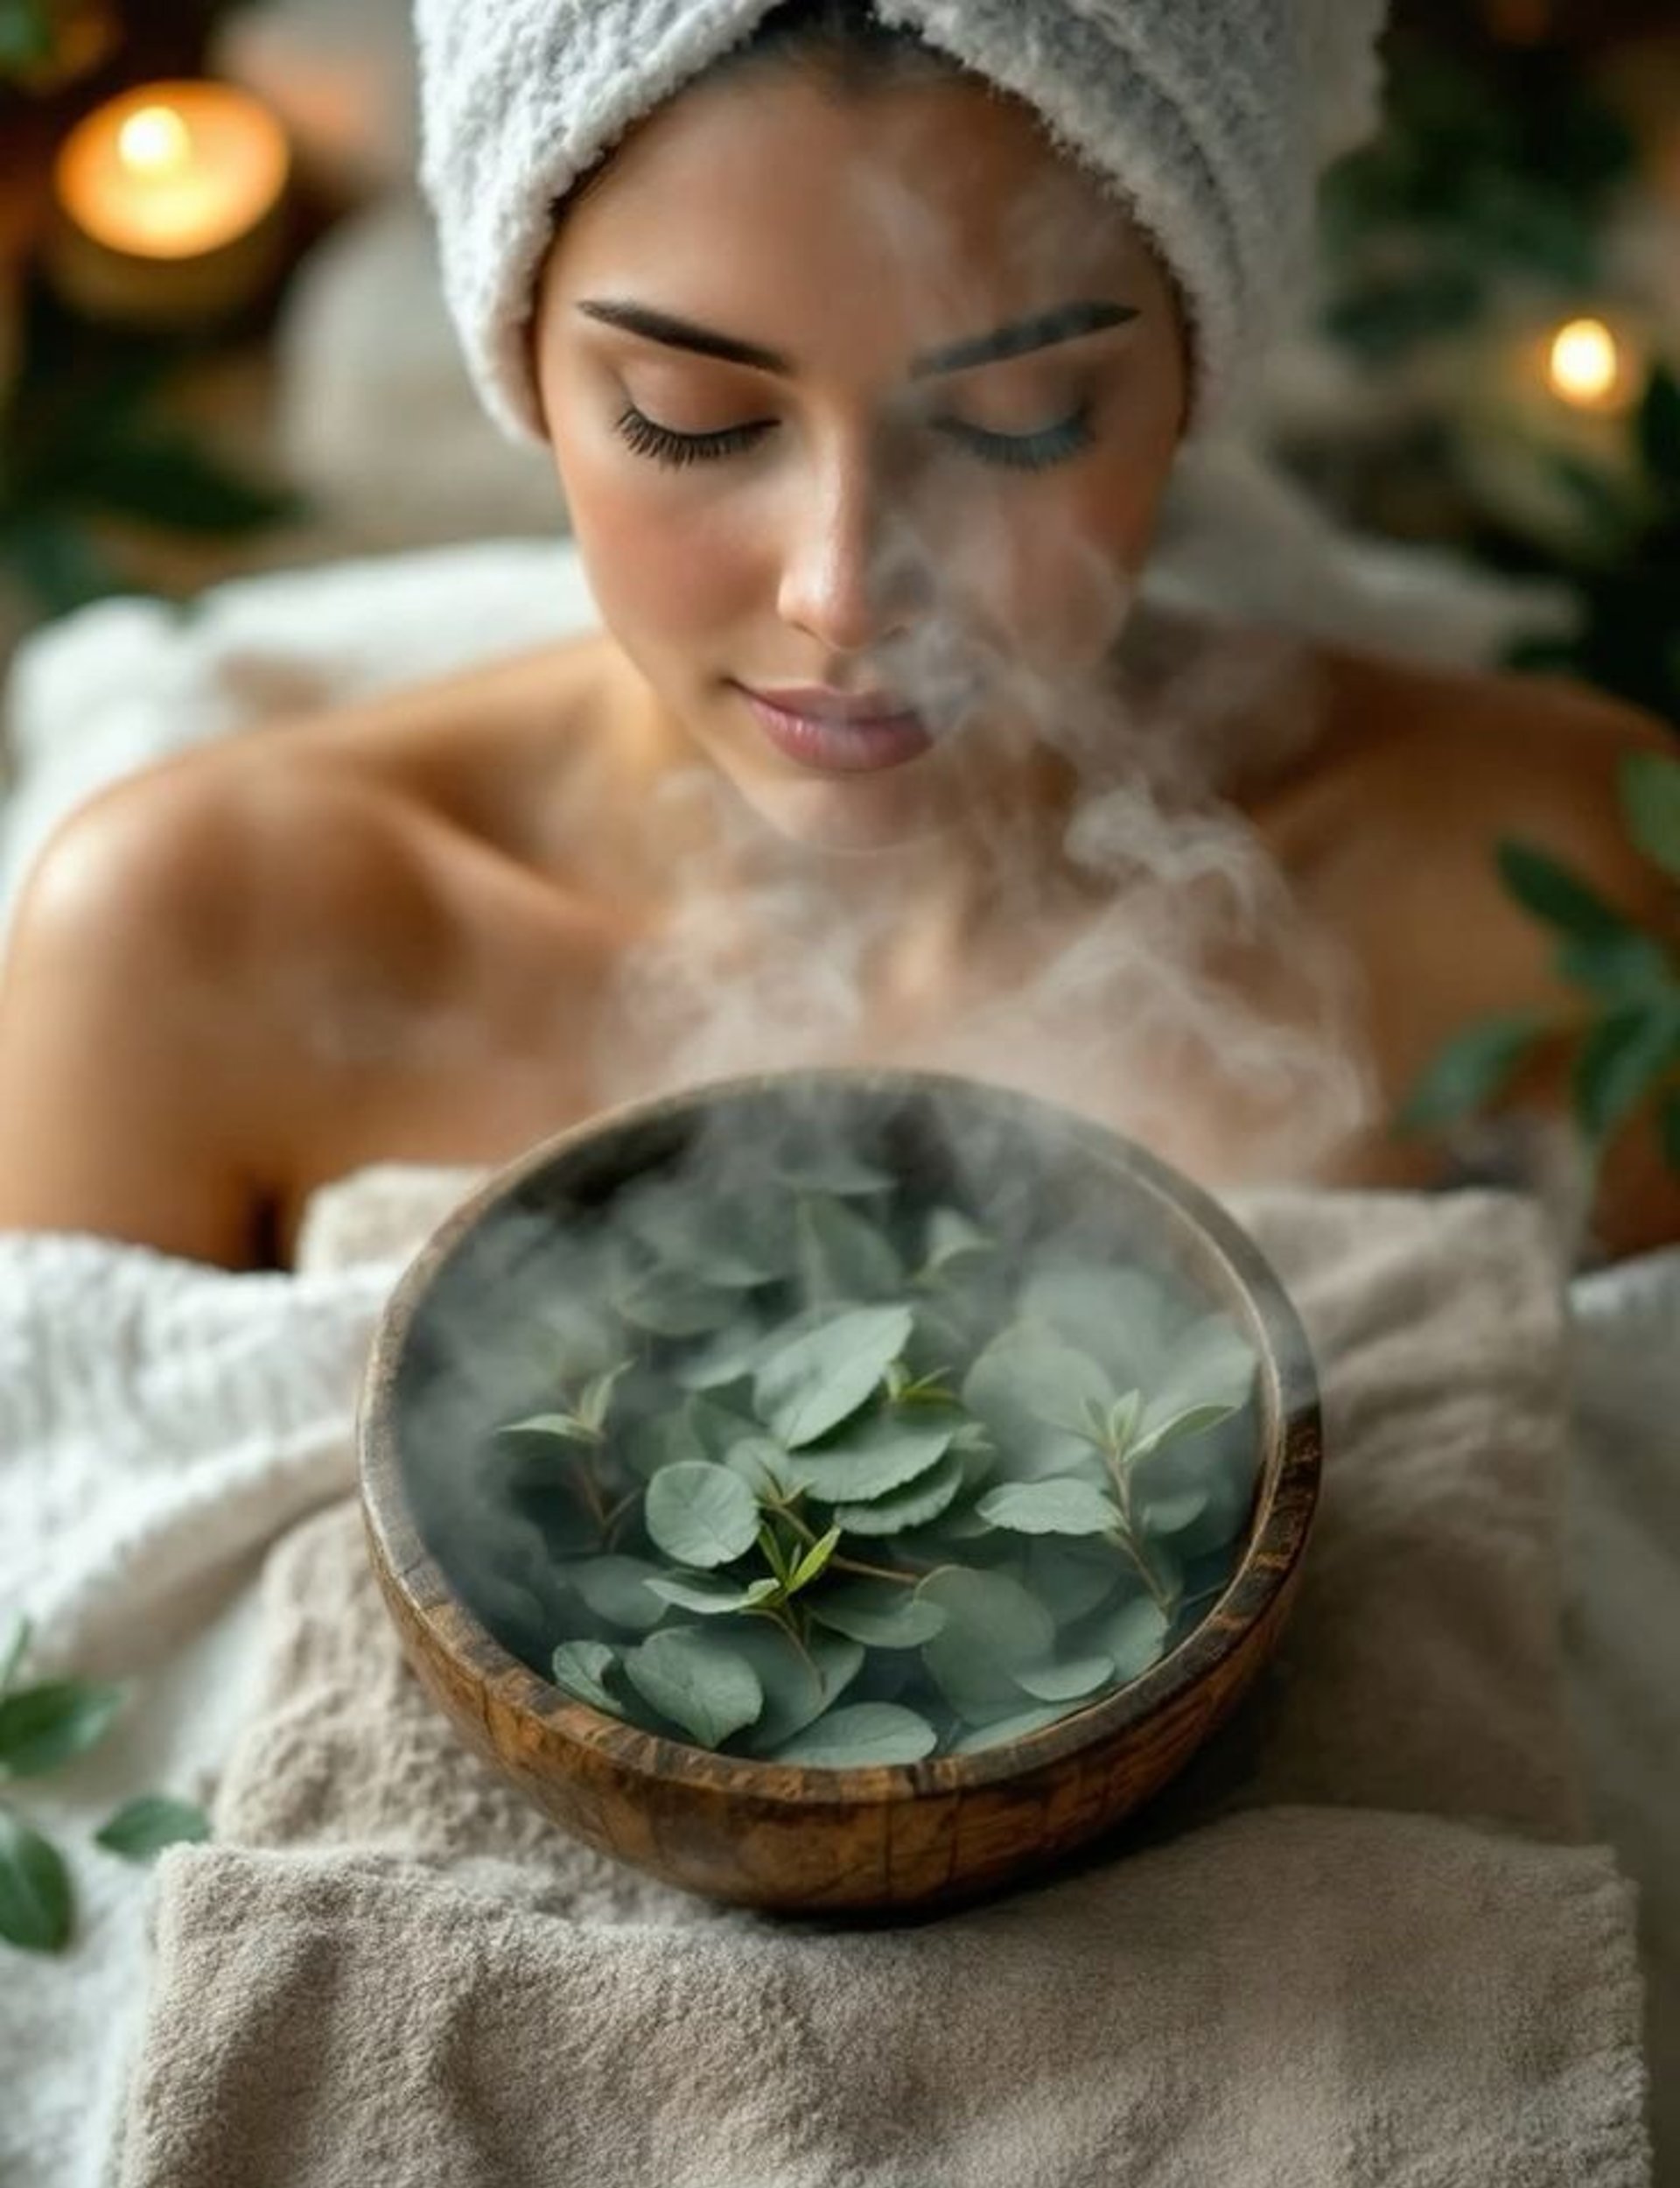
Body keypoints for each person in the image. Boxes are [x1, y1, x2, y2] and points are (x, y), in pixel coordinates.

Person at [0, 0, 1675, 1271]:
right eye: (685, 418)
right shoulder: (195, 941)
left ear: (1188, 385)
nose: (849, 588)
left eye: (1021, 420)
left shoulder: (1569, 895)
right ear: (527, 375)